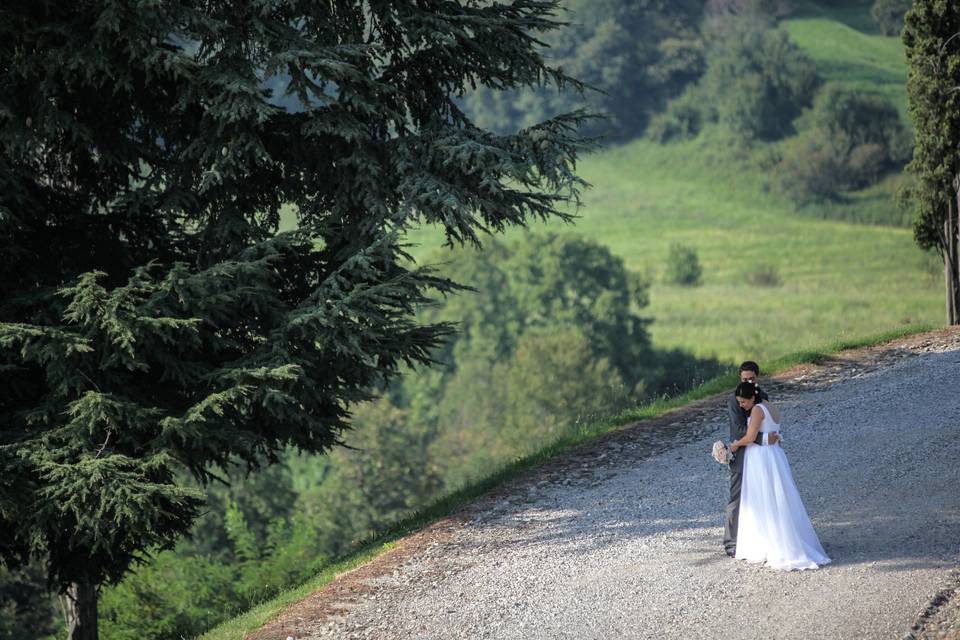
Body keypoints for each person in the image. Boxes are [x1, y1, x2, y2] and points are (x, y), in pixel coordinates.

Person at [729, 380, 831, 570]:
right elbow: (772, 432)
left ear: (752, 398)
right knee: (777, 497)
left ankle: (774, 543)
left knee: (765, 497)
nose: (741, 405)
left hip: (761, 458)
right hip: (774, 455)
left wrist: (735, 445)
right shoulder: (770, 406)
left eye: (743, 402)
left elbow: (751, 437)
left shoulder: (758, 409)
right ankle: (776, 540)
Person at [724, 361, 778, 557]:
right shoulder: (734, 399)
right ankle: (731, 542)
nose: (748, 381)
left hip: (761, 458)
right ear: (740, 378)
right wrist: (763, 439)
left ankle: (761, 538)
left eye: (752, 378)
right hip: (742, 454)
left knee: (762, 495)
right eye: (745, 378)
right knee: (736, 499)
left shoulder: (763, 397)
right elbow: (738, 429)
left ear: (758, 377)